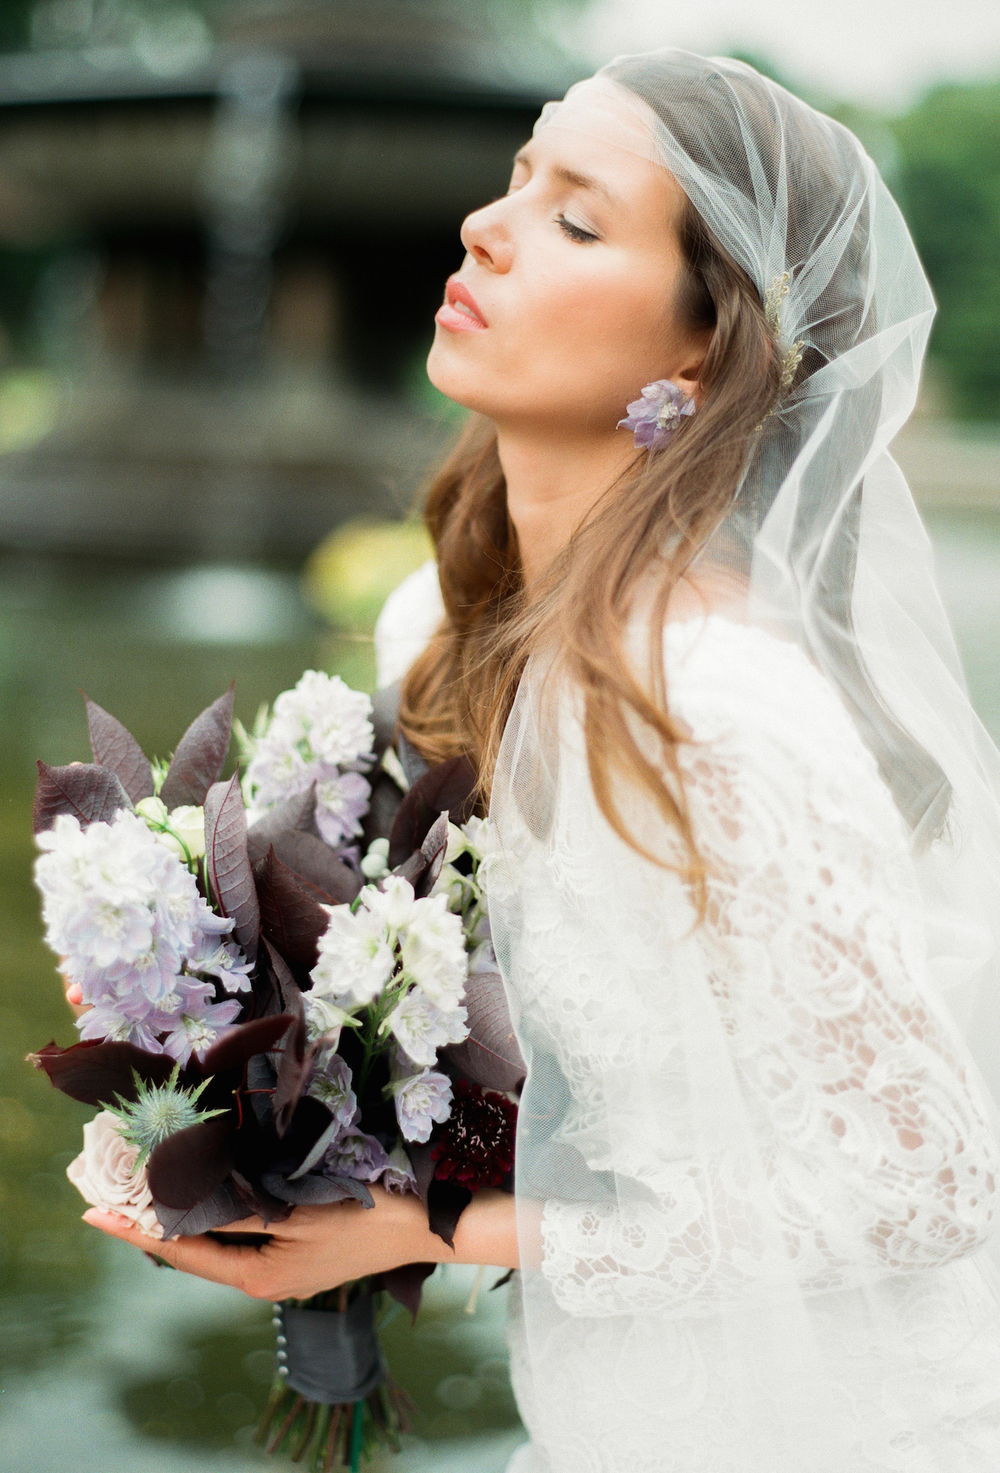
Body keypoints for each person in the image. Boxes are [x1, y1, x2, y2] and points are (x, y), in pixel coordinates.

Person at [83, 50, 1000, 1472]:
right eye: (515, 180)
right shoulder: (436, 626)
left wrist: (432, 1227)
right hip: (596, 1404)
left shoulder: (720, 708)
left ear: (704, 348)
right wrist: (268, 1107)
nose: (484, 228)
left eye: (577, 218)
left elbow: (924, 1183)